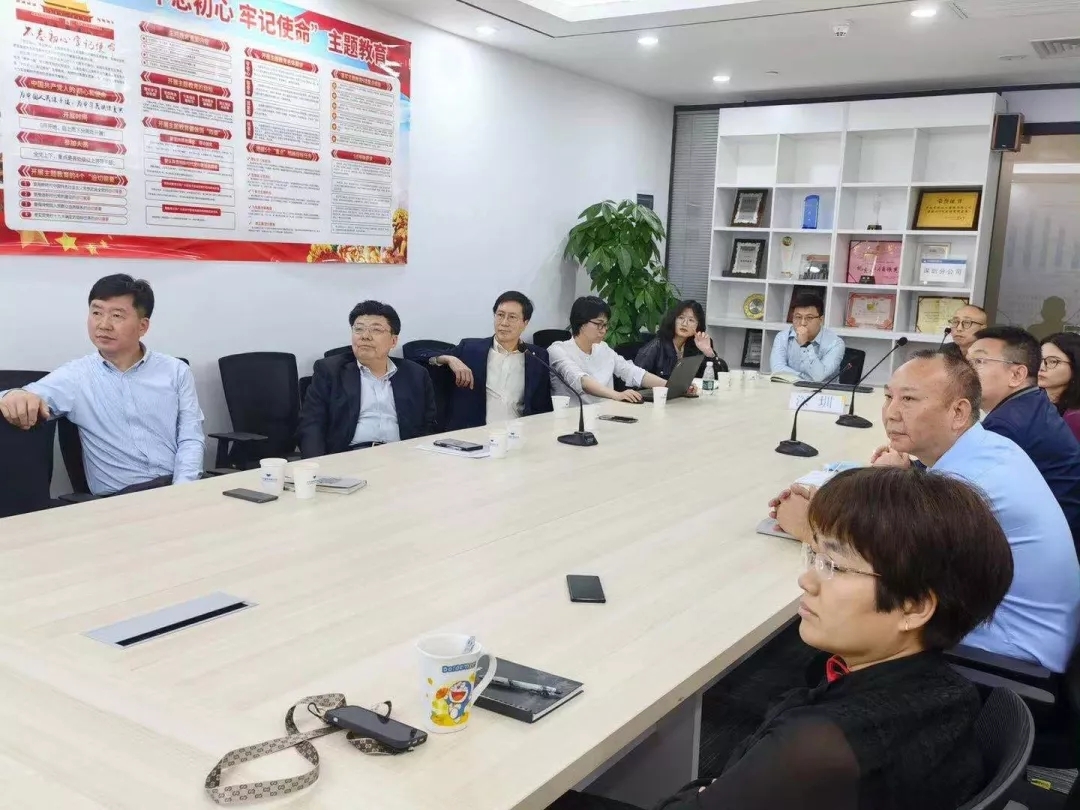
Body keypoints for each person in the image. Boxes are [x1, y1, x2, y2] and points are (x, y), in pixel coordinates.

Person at [553, 466, 1014, 810]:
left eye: (834, 565)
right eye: (814, 555)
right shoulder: (950, 691)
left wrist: (711, 789)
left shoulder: (816, 748)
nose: (807, 581)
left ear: (913, 607)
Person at [773, 349, 1080, 673]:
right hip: (1016, 629)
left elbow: (887, 561)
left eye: (908, 400)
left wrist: (809, 525)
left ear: (958, 412)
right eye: (888, 397)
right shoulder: (988, 447)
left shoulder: (973, 483)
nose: (890, 413)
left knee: (815, 632)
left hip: (1003, 653)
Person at [0, 274, 205, 497]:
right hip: (121, 499)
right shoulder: (75, 376)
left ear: (143, 326)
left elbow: (191, 438)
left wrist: (182, 492)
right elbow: (24, 396)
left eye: (116, 315)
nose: (103, 325)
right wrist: (13, 394)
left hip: (178, 487)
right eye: (96, 313)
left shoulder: (175, 371)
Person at [969, 326, 1080, 553]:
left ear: (1017, 375)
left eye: (979, 362)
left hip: (1040, 549)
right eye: (966, 361)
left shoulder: (1008, 424)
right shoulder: (1030, 402)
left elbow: (965, 490)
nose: (964, 370)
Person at [298, 301, 436, 457]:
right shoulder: (330, 370)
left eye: (376, 330)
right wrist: (317, 466)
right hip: (350, 457)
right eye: (359, 329)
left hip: (402, 456)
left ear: (393, 341)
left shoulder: (415, 375)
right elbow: (312, 424)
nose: (365, 336)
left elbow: (428, 426)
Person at [416, 291, 552, 429]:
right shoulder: (469, 349)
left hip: (518, 434)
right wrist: (448, 359)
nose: (504, 323)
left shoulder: (537, 357)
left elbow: (542, 408)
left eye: (512, 317)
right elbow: (417, 356)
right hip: (474, 434)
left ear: (525, 323)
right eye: (500, 315)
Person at [547, 296, 666, 404]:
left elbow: (631, 371)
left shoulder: (603, 348)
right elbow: (582, 381)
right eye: (599, 324)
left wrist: (668, 386)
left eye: (605, 325)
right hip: (575, 416)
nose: (603, 330)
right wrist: (617, 395)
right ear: (581, 324)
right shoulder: (558, 350)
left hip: (607, 413)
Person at [635, 300, 727, 381]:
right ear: (673, 320)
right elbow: (636, 379)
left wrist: (709, 352)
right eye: (681, 317)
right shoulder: (656, 346)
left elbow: (719, 378)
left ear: (698, 325)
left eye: (691, 320)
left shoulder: (697, 347)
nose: (684, 323)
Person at [768, 292, 844, 382]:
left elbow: (819, 377)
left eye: (809, 318)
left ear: (821, 320)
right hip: (788, 388)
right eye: (798, 317)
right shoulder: (782, 337)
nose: (803, 323)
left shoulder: (835, 343)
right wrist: (805, 378)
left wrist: (805, 344)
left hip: (823, 390)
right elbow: (777, 370)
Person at [1039, 332, 1080, 441]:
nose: (1041, 367)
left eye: (1052, 361)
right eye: (1039, 359)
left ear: (1075, 366)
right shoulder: (1030, 402)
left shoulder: (1075, 418)